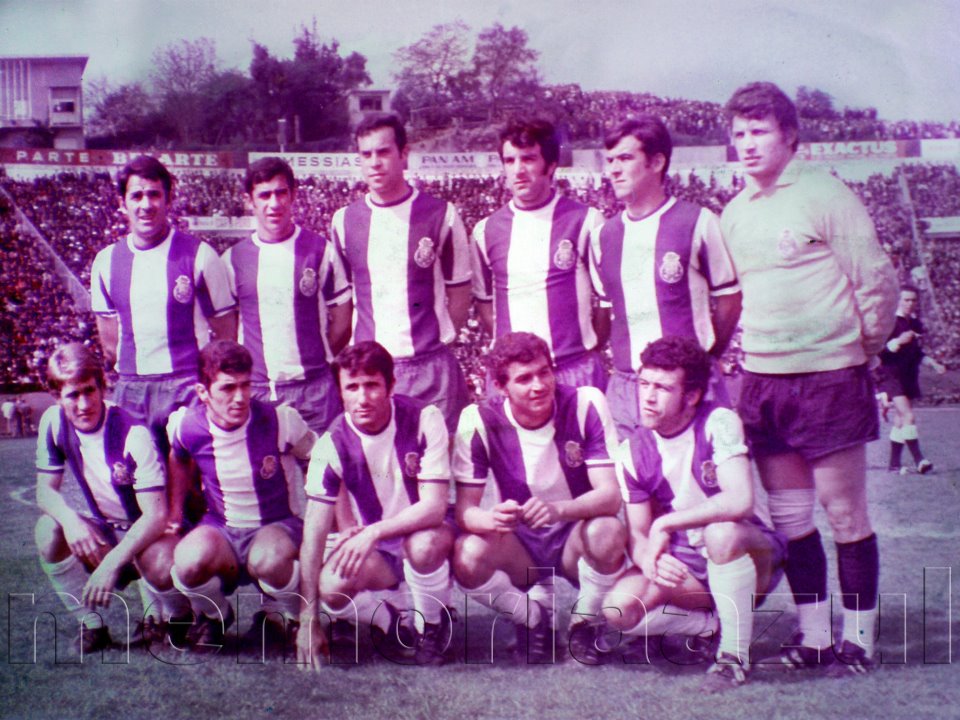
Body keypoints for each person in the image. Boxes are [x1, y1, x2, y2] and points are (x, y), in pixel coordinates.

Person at [720, 82, 898, 673]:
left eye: (759, 131)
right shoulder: (734, 212)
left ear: (789, 135)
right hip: (764, 380)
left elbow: (875, 279)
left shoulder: (825, 193)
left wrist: (857, 348)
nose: (748, 144)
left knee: (844, 514)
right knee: (792, 519)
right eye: (739, 134)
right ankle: (815, 637)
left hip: (828, 378)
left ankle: (859, 640)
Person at [599, 337, 786, 692]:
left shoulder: (719, 421)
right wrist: (649, 558)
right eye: (644, 384)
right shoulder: (632, 451)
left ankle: (733, 658)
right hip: (690, 563)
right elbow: (638, 533)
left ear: (692, 396)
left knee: (720, 533)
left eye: (663, 388)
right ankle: (709, 627)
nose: (648, 397)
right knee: (618, 611)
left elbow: (740, 501)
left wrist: (666, 523)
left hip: (750, 550)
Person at [452, 332, 625, 663]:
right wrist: (490, 518)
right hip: (522, 545)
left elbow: (610, 497)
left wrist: (558, 509)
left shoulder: (585, 402)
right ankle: (531, 618)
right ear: (500, 387)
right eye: (524, 379)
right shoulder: (479, 419)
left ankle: (584, 623)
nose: (539, 385)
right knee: (467, 555)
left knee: (609, 531)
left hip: (575, 536)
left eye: (544, 372)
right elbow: (465, 511)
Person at [297, 341, 454, 669]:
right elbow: (313, 536)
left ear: (391, 385)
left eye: (371, 385)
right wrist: (308, 618)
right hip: (380, 551)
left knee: (423, 544)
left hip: (427, 536)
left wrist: (372, 532)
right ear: (340, 391)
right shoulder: (330, 445)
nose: (363, 397)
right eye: (352, 387)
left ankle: (431, 626)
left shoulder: (424, 418)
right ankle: (390, 619)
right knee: (331, 587)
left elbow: (434, 507)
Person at [590, 117, 741, 437]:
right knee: (630, 470)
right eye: (610, 160)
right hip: (626, 386)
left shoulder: (698, 222)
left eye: (625, 158)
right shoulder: (603, 236)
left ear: (657, 162)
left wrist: (707, 357)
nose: (614, 170)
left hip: (685, 384)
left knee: (701, 468)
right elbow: (606, 308)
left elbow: (729, 300)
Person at [34, 343, 184, 653]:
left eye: (89, 391)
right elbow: (44, 491)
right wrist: (71, 521)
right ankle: (92, 626)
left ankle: (177, 618)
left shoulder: (132, 432)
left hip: (149, 534)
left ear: (102, 385)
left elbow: (155, 516)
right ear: (56, 395)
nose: (84, 404)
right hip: (106, 531)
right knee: (48, 530)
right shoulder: (52, 422)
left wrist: (110, 565)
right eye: (73, 395)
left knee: (158, 560)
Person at [167, 340, 316, 651]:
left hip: (277, 525)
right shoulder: (187, 426)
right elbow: (178, 457)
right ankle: (217, 616)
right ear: (203, 392)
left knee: (269, 560)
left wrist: (318, 511)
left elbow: (318, 457)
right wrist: (175, 509)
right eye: (227, 388)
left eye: (246, 385)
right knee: (186, 562)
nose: (240, 397)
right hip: (222, 528)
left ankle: (295, 618)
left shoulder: (280, 420)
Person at [331, 114, 471, 431]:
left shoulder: (442, 214)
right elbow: (345, 300)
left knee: (441, 455)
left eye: (383, 152)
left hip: (431, 367)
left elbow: (460, 294)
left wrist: (436, 342)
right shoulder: (344, 221)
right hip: (370, 370)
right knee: (379, 458)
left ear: (403, 153)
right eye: (366, 154)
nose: (375, 162)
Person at [90, 155, 237, 445]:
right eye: (137, 196)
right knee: (138, 470)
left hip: (187, 384)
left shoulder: (200, 255)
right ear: (122, 203)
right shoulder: (106, 262)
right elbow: (110, 345)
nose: (146, 204)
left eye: (154, 194)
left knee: (192, 473)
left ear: (168, 200)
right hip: (132, 388)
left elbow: (226, 334)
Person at [471, 119, 608, 390]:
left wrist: (586, 348)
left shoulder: (585, 221)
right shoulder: (485, 230)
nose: (518, 170)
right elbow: (485, 304)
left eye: (529, 159)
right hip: (514, 378)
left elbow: (606, 301)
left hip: (573, 369)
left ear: (551, 165)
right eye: (510, 160)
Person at [222, 157, 352, 436]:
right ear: (249, 201)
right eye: (264, 195)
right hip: (260, 391)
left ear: (293, 194)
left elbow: (342, 319)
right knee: (266, 464)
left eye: (281, 193)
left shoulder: (320, 251)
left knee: (324, 462)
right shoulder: (232, 260)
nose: (274, 203)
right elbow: (227, 331)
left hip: (315, 390)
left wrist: (316, 359)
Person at [879, 285, 946, 474]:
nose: (910, 303)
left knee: (900, 420)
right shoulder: (889, 322)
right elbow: (879, 352)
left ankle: (894, 465)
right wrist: (898, 341)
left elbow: (916, 353)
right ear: (898, 300)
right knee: (908, 415)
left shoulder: (915, 323)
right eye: (906, 299)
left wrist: (933, 364)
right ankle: (919, 460)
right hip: (890, 374)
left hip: (908, 375)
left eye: (913, 300)